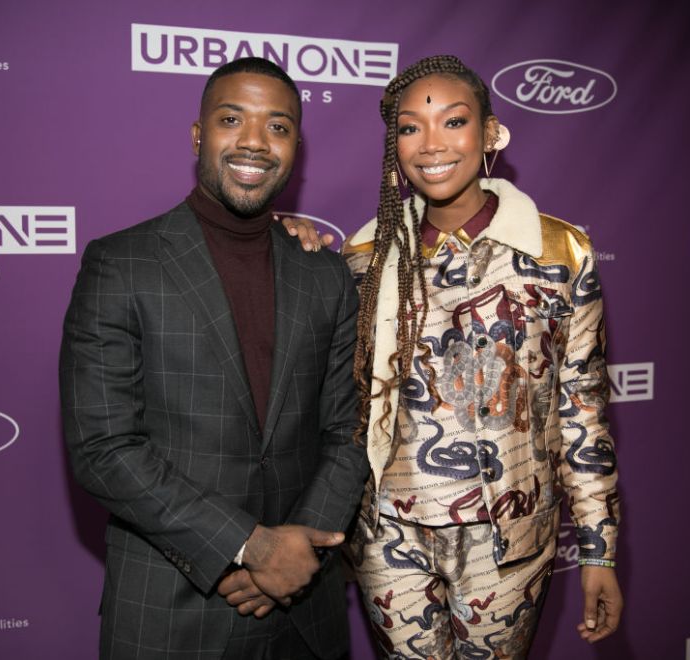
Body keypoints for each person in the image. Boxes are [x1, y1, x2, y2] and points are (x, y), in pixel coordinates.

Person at [59, 57, 368, 660]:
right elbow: (103, 448)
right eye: (232, 119)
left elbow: (348, 431)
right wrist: (250, 547)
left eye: (277, 127)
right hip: (172, 610)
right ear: (199, 135)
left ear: (295, 148)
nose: (254, 141)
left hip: (307, 613)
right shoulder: (121, 264)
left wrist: (298, 553)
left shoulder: (325, 273)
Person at [341, 55, 623, 658]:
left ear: (491, 134)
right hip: (388, 533)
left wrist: (598, 547)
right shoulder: (364, 253)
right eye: (411, 127)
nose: (431, 143)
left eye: (454, 121)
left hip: (510, 539)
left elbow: (583, 408)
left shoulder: (559, 251)